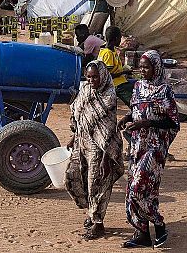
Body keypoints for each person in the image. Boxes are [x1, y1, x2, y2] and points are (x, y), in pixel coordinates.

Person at [118, 50, 179, 249]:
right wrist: (127, 118)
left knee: (137, 189)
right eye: (141, 67)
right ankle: (142, 234)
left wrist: (146, 123)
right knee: (143, 191)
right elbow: (136, 108)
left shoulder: (164, 90)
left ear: (156, 67)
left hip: (155, 148)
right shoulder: (137, 87)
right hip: (137, 146)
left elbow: (172, 122)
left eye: (147, 67)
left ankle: (159, 223)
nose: (142, 70)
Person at [65, 61, 124, 241]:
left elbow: (108, 130)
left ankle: (98, 223)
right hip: (81, 142)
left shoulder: (108, 97)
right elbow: (78, 114)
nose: (91, 80)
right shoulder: (85, 91)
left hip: (99, 148)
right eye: (89, 77)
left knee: (96, 185)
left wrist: (107, 157)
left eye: (95, 76)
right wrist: (74, 136)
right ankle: (91, 214)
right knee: (73, 177)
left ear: (103, 76)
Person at [98, 26, 132, 107]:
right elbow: (107, 76)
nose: (120, 40)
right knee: (133, 100)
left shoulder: (112, 51)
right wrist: (124, 72)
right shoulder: (108, 53)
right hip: (116, 84)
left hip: (121, 81)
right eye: (120, 38)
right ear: (116, 39)